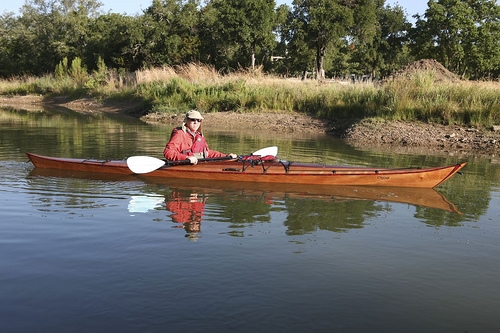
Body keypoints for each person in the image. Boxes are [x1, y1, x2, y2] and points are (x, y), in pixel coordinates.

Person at [163, 110, 237, 164]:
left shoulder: (199, 136)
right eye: (193, 120)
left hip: (199, 164)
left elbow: (207, 153)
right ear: (186, 121)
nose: (196, 122)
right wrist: (186, 158)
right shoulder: (179, 134)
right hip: (184, 165)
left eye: (198, 120)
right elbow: (168, 152)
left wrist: (226, 156)